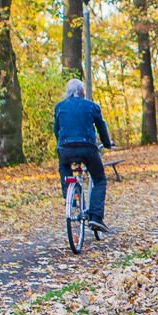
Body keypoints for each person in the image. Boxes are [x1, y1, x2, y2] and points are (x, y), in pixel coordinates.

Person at [53, 78, 114, 232]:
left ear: (67, 92)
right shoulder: (92, 106)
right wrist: (107, 144)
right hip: (88, 148)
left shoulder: (59, 107)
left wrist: (61, 144)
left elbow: (56, 130)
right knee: (99, 179)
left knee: (64, 168)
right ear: (82, 92)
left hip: (66, 148)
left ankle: (70, 198)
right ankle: (96, 217)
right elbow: (101, 126)